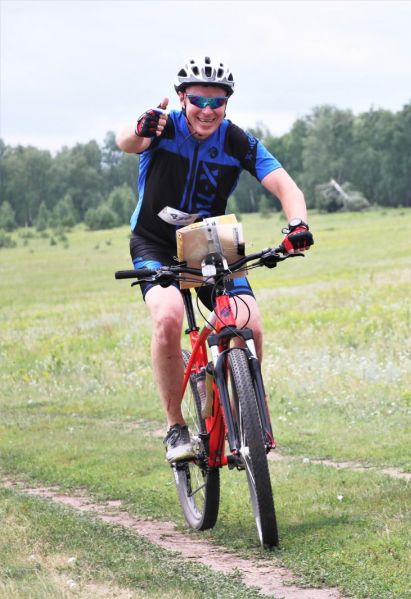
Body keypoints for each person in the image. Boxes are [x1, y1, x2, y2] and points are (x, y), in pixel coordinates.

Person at [117, 55, 312, 463]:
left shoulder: (237, 141)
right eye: (198, 101)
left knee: (249, 323)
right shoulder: (162, 126)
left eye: (216, 103)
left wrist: (297, 224)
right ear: (181, 98)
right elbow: (126, 142)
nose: (207, 111)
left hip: (209, 241)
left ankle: (248, 427)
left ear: (227, 104)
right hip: (154, 242)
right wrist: (139, 128)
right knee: (169, 317)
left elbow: (286, 186)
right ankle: (175, 428)